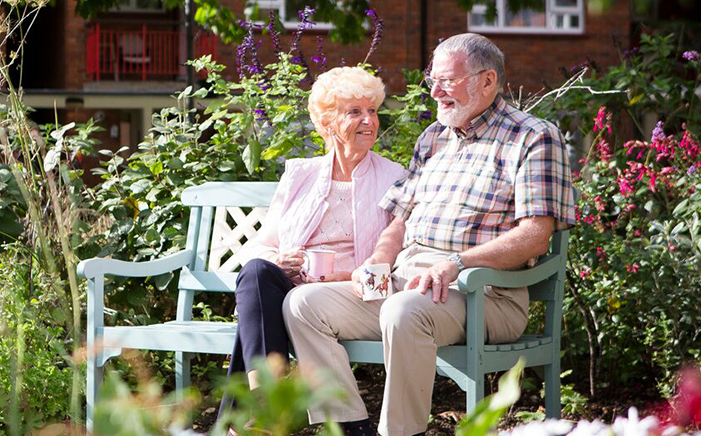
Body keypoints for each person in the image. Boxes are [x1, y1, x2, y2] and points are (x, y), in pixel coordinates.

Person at [283, 33, 577, 436]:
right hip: (408, 282)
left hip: (485, 292)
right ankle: (352, 427)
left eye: (447, 81)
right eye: (432, 79)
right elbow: (399, 221)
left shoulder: (533, 138)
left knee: (403, 311)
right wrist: (377, 262)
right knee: (304, 304)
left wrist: (458, 264)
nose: (435, 91)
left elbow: (534, 236)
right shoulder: (433, 138)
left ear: (487, 81)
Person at [217, 66, 407, 435]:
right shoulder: (300, 174)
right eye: (355, 112)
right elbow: (261, 245)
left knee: (258, 317)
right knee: (257, 270)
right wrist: (280, 260)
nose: (369, 121)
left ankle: (258, 413)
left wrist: (343, 274)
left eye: (373, 111)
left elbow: (394, 258)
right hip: (295, 286)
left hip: (349, 295)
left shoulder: (394, 177)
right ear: (327, 121)